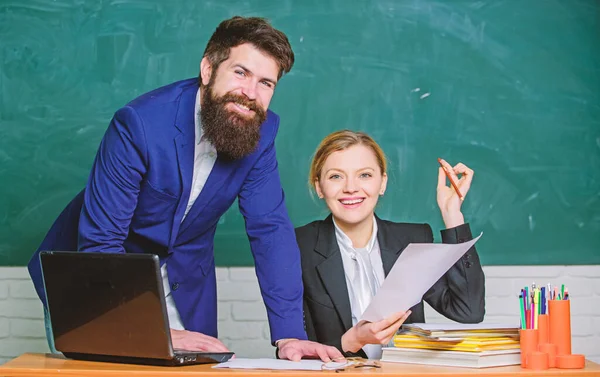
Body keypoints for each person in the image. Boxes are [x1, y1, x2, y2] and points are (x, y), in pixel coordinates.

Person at [27, 16, 342, 362]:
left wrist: (289, 335)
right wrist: (149, 328)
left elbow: (270, 230)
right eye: (240, 73)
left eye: (266, 83)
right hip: (99, 278)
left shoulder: (261, 131)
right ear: (208, 69)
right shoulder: (139, 124)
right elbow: (101, 242)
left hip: (185, 280)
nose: (250, 94)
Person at [296, 130, 485, 359]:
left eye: (364, 175)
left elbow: (468, 311)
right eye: (336, 176)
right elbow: (292, 352)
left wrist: (452, 213)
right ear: (319, 186)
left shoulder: (411, 239)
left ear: (382, 183)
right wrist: (353, 340)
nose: (351, 188)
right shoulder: (298, 246)